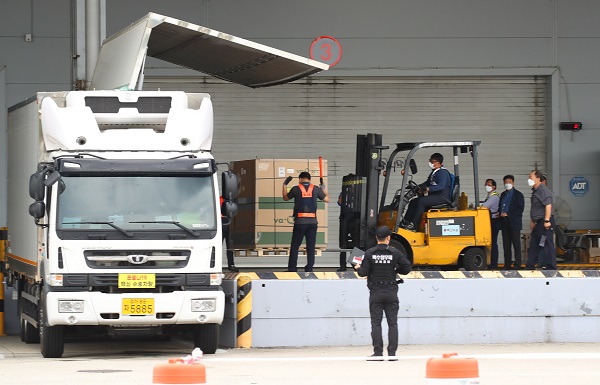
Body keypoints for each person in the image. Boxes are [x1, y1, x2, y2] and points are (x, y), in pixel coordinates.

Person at [354, 226, 412, 360]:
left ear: (376, 238)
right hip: (391, 291)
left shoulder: (369, 253)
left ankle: (378, 353)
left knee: (376, 323)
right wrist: (396, 270)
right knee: (393, 323)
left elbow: (363, 272)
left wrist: (357, 267)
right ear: (389, 238)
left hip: (375, 292)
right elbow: (407, 266)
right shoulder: (395, 252)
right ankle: (392, 354)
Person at [282, 171, 330, 272]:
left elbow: (285, 198)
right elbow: (327, 199)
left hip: (300, 222)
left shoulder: (296, 189)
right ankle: (309, 268)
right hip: (312, 222)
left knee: (295, 246)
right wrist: (323, 189)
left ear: (300, 179)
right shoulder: (316, 188)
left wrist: (284, 184)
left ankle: (292, 269)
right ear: (309, 179)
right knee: (311, 247)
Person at [401, 153, 452, 231]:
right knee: (414, 201)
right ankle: (405, 222)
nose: (430, 163)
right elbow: (427, 183)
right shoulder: (434, 172)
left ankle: (414, 224)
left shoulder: (442, 173)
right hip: (435, 196)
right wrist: (417, 187)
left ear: (438, 163)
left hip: (442, 197)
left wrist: (428, 189)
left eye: (432, 161)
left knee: (422, 201)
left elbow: (441, 186)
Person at [526, 170, 557, 270]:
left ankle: (551, 267)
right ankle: (530, 266)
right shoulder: (536, 191)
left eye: (531, 177)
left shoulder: (543, 190)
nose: (529, 179)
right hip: (538, 222)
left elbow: (548, 205)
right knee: (534, 244)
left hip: (544, 222)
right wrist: (533, 221)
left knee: (547, 243)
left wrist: (547, 221)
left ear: (538, 179)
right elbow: (536, 208)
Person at [499, 174, 525, 269]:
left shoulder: (518, 195)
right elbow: (500, 206)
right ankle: (507, 264)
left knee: (516, 244)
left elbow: (520, 209)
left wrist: (508, 214)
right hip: (504, 222)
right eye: (506, 182)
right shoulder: (503, 194)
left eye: (509, 182)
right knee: (506, 244)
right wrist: (500, 213)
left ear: (513, 183)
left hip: (514, 223)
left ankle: (517, 264)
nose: (507, 184)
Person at [480, 179, 501, 269]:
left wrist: (480, 205)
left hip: (493, 221)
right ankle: (490, 263)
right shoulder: (489, 196)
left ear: (494, 187)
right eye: (486, 184)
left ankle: (493, 264)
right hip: (489, 220)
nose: (487, 186)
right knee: (490, 242)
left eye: (489, 184)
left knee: (493, 243)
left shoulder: (494, 196)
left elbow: (484, 206)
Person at [220, 196, 238, 272]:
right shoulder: (219, 198)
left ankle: (231, 264)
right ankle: (213, 264)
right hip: (220, 222)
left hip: (230, 221)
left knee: (230, 246)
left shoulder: (233, 200)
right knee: (217, 246)